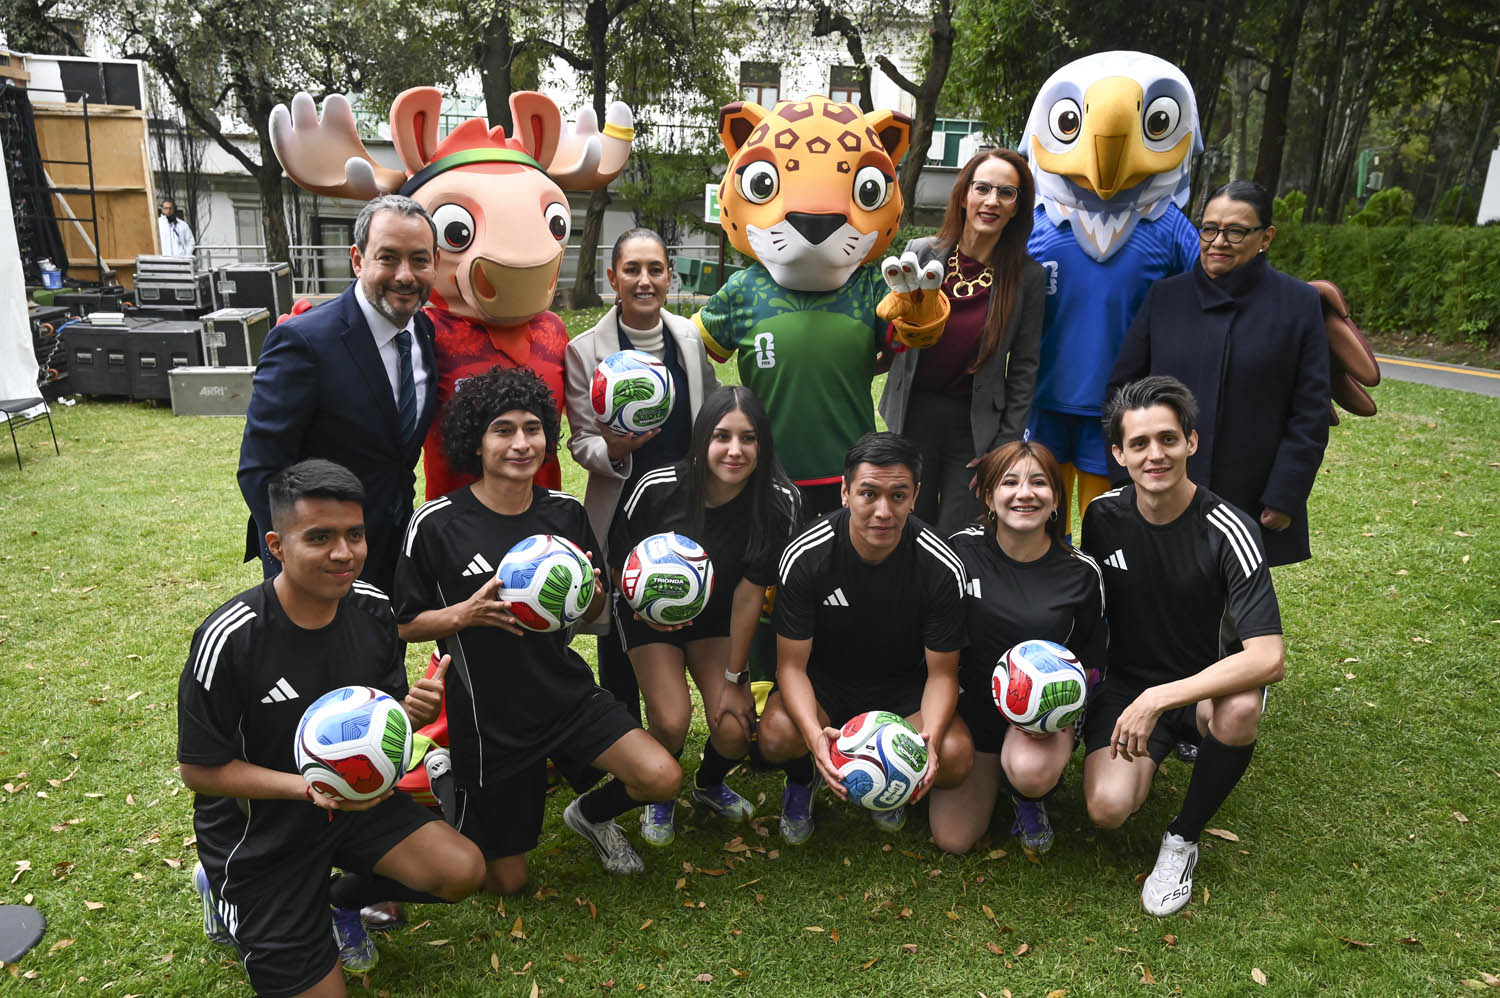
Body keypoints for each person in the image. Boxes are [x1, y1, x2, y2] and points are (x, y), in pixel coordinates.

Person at [179, 459, 484, 997]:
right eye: (319, 537)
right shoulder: (232, 637)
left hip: (356, 804)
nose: (344, 553)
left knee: (462, 870)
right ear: (275, 545)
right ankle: (224, 892)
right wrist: (312, 787)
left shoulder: (372, 610)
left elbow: (376, 717)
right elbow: (201, 770)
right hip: (263, 832)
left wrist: (405, 715)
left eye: (355, 535)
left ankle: (343, 900)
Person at [395, 367, 681, 894]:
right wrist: (464, 615)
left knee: (660, 776)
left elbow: (588, 605)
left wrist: (593, 592)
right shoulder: (436, 523)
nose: (521, 443)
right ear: (475, 441)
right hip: (490, 717)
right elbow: (404, 624)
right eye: (502, 430)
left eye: (533, 429)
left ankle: (590, 813)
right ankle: (449, 774)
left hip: (562, 693)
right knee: (508, 882)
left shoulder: (565, 513)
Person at [1080, 376, 1284, 917]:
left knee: (1241, 708)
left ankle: (1182, 839)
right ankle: (1158, 750)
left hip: (1199, 689)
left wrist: (1159, 699)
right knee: (1107, 808)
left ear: (1191, 442)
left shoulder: (1229, 528)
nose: (1156, 455)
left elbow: (1268, 658)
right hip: (1126, 684)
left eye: (1168, 439)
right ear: (1119, 454)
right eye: (1140, 444)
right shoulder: (1101, 517)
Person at [757, 431, 974, 843]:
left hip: (903, 690)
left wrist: (929, 742)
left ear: (916, 496)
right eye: (868, 494)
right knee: (777, 734)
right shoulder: (807, 556)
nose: (883, 511)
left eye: (898, 496)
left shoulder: (941, 565)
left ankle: (894, 780)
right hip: (827, 686)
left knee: (958, 755)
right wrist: (814, 737)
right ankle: (804, 777)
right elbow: (791, 666)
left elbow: (943, 675)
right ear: (844, 493)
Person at [608, 385, 799, 845]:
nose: (735, 450)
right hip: (647, 617)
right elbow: (617, 563)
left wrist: (735, 676)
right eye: (721, 436)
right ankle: (661, 790)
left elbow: (750, 595)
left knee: (735, 728)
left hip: (718, 622)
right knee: (672, 720)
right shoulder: (658, 487)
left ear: (763, 444)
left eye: (748, 438)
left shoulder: (777, 501)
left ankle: (709, 782)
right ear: (701, 441)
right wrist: (647, 611)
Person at [1107, 180, 1330, 568]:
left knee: (1234, 613)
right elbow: (1120, 392)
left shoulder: (1299, 304)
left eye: (1236, 231)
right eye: (1209, 229)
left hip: (1251, 490)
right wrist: (1128, 477)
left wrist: (1285, 493)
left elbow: (1309, 412)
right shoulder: (1165, 297)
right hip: (1164, 485)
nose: (1217, 242)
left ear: (1266, 237)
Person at [238, 194, 439, 595]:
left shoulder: (424, 333)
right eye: (388, 258)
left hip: (389, 553)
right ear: (358, 259)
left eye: (419, 259)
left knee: (383, 655)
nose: (405, 275)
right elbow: (260, 469)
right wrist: (298, 554)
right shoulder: (303, 342)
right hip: (317, 563)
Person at [566, 229, 719, 720]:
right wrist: (612, 448)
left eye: (655, 269)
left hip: (684, 503)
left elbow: (710, 415)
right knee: (618, 619)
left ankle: (679, 704)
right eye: (632, 270)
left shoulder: (689, 338)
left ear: (670, 277)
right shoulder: (585, 350)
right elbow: (580, 440)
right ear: (613, 278)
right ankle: (622, 726)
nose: (644, 280)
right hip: (623, 502)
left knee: (681, 592)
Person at [928, 440, 1105, 856]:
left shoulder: (1080, 574)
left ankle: (1029, 795)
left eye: (1039, 483)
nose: (1025, 493)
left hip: (1039, 722)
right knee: (953, 839)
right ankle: (986, 771)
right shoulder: (960, 552)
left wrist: (1061, 716)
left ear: (1056, 499)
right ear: (989, 496)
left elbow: (1094, 663)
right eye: (1010, 482)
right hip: (968, 713)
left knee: (1029, 771)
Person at [880, 148, 1046, 536]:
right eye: (983, 188)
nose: (992, 201)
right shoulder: (920, 253)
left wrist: (1004, 447)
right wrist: (900, 330)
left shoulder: (1027, 278)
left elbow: (1025, 366)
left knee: (961, 532)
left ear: (1018, 207)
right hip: (913, 413)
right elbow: (892, 338)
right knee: (908, 524)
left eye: (1007, 193)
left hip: (974, 428)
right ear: (964, 194)